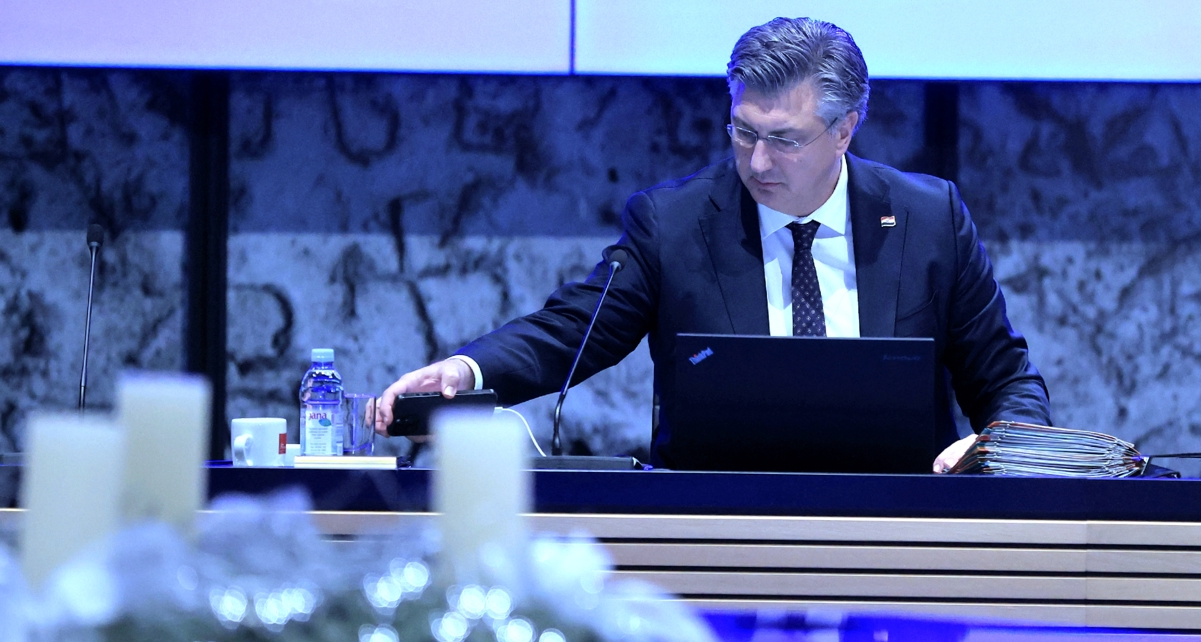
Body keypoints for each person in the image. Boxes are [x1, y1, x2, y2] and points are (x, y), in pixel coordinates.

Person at [374, 16, 1051, 472]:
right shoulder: (673, 222)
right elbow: (572, 328)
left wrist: (997, 451)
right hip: (713, 525)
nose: (757, 161)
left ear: (845, 130)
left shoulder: (930, 218)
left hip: (902, 527)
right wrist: (467, 371)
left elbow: (1007, 381)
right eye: (743, 131)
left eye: (784, 140)